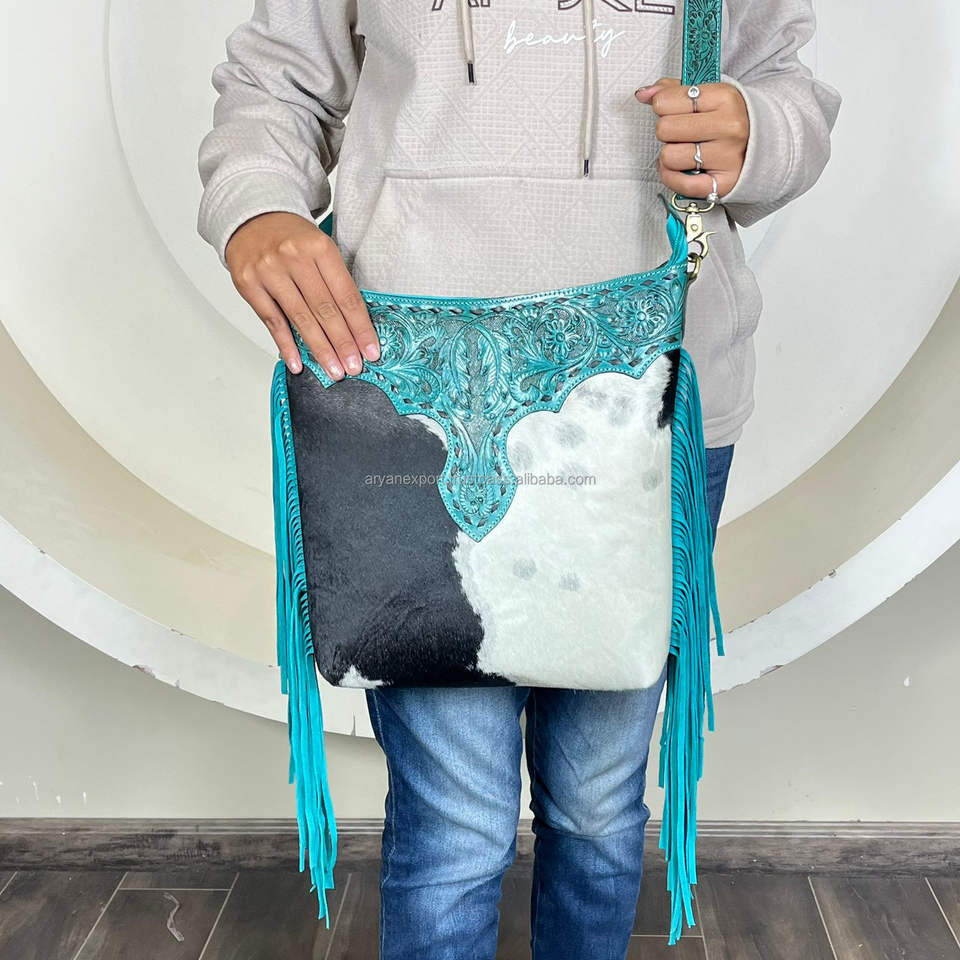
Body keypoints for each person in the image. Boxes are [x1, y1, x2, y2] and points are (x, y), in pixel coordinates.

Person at [197, 2, 840, 957]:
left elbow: (784, 82)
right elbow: (275, 82)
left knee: (598, 806)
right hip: (411, 404)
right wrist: (257, 205)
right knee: (455, 822)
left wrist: (756, 132)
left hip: (647, 404)